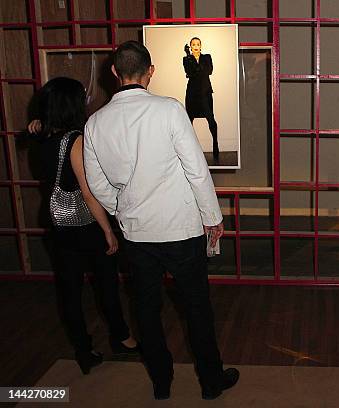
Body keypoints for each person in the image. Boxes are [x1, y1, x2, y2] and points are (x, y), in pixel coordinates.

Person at [83, 41, 238, 400]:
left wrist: (121, 206)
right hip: (181, 229)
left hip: (136, 234)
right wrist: (212, 217)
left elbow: (97, 183)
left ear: (114, 72)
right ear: (150, 71)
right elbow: (196, 170)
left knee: (146, 311)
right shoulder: (168, 110)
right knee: (196, 307)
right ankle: (211, 381)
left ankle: (161, 381)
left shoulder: (95, 123)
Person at [31, 77, 138, 375]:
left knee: (69, 290)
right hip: (84, 223)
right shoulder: (73, 140)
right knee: (106, 283)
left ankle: (83, 349)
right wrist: (107, 230)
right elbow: (89, 193)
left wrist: (37, 125)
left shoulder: (41, 136)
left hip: (57, 222)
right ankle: (122, 338)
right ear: (72, 104)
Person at [183, 36, 219, 161]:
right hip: (192, 93)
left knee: (211, 119)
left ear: (201, 46)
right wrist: (189, 57)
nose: (196, 46)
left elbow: (209, 71)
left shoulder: (207, 57)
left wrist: (196, 69)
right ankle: (189, 149)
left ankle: (215, 143)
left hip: (205, 92)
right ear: (190, 47)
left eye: (198, 44)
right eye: (193, 44)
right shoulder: (186, 59)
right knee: (189, 121)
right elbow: (190, 72)